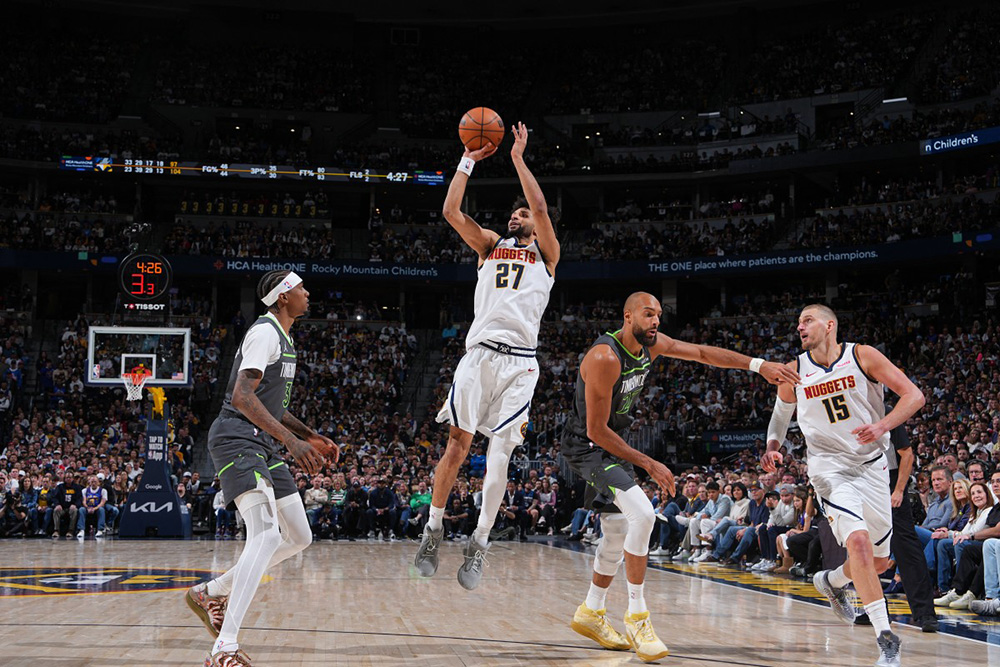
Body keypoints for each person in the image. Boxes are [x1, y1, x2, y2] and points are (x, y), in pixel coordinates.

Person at [564, 292, 797, 662]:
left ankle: (591, 611)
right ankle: (637, 616)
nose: (656, 321)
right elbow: (595, 430)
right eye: (648, 314)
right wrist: (650, 463)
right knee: (642, 514)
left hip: (612, 445)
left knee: (617, 533)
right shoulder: (605, 357)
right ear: (628, 316)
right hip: (588, 446)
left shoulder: (652, 347)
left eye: (658, 314)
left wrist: (758, 364)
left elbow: (703, 353)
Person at [415, 122, 561, 591]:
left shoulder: (548, 256)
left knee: (499, 458)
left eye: (524, 214)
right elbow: (451, 210)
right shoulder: (490, 246)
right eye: (514, 213)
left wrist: (517, 157)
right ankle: (434, 528)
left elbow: (539, 204)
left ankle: (479, 541)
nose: (518, 216)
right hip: (479, 356)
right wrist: (468, 160)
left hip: (521, 363)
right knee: (457, 446)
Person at [186, 270, 338, 667]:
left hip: (263, 441)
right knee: (267, 534)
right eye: (300, 288)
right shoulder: (265, 332)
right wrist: (291, 442)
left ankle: (211, 591)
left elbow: (272, 407)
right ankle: (224, 648)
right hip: (237, 438)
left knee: (299, 536)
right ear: (283, 297)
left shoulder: (284, 337)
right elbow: (241, 396)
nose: (307, 292)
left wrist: (309, 434)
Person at [763, 303, 925, 667]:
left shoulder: (862, 355)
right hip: (828, 470)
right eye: (798, 321)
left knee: (879, 563)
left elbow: (914, 395)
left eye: (807, 320)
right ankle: (887, 639)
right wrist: (774, 446)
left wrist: (882, 427)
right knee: (859, 543)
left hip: (871, 467)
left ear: (829, 325)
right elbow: (779, 416)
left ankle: (832, 581)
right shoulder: (795, 370)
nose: (800, 326)